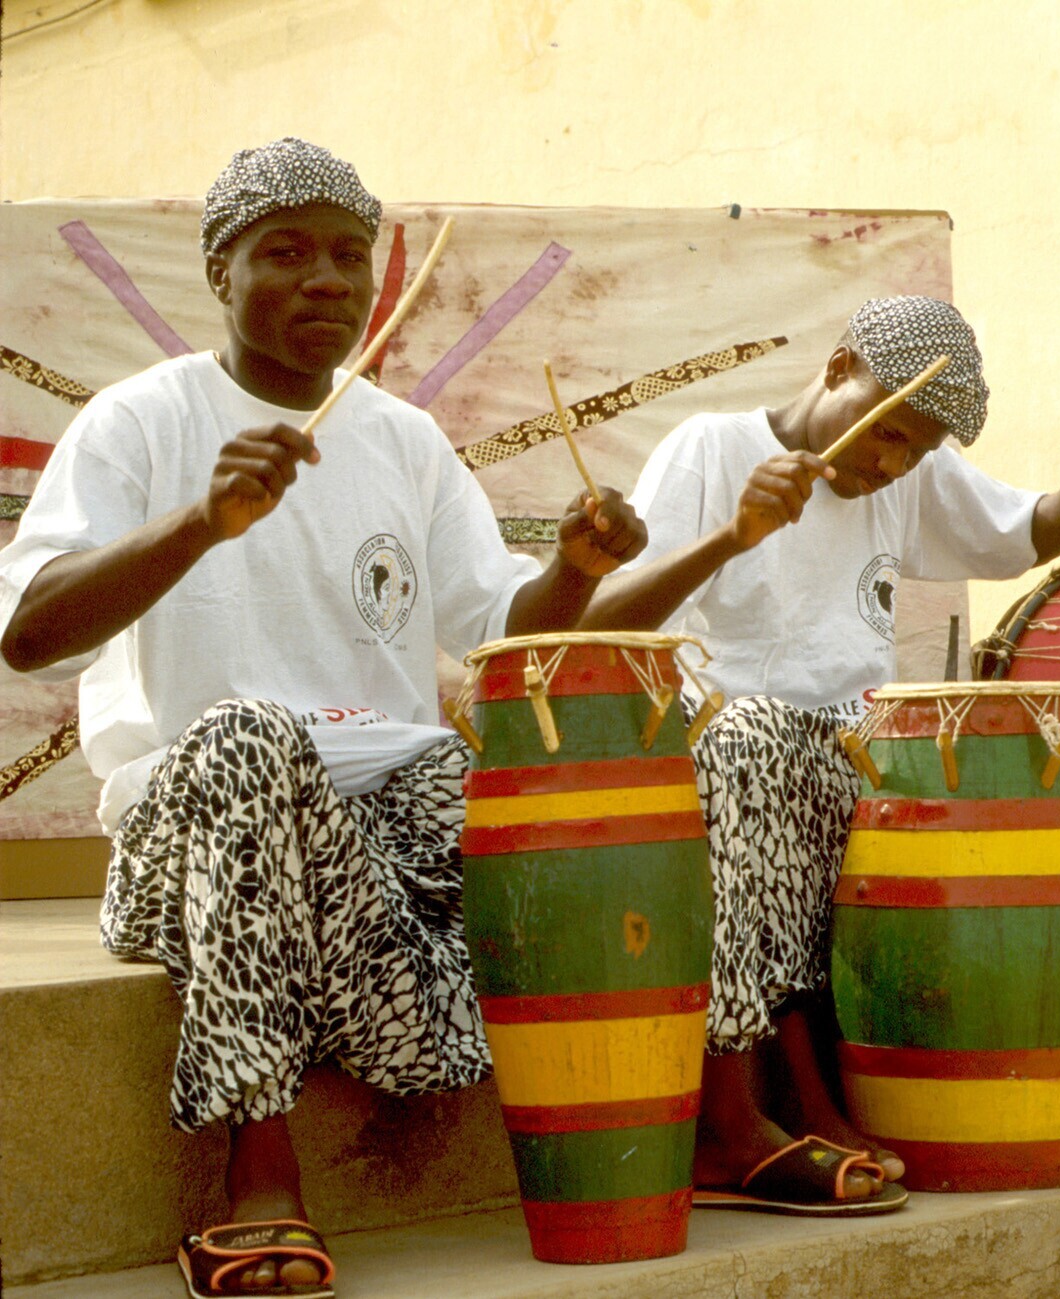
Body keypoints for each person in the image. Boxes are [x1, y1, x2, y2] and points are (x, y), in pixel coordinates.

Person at [0, 139, 645, 1297]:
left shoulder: (402, 438)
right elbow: (32, 633)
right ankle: (258, 1172)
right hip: (192, 839)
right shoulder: (139, 421)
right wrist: (199, 523)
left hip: (380, 842)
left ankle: (658, 1134)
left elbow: (502, 631)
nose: (327, 281)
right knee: (249, 733)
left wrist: (577, 570)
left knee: (561, 791)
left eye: (349, 256)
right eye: (285, 253)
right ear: (222, 272)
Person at [580, 295, 1060, 1214]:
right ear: (838, 368)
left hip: (851, 750)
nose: (890, 463)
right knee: (753, 739)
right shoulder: (712, 449)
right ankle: (732, 1118)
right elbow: (602, 625)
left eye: (916, 451)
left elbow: (1024, 535)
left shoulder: (901, 472)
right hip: (720, 752)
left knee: (1051, 731)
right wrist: (732, 538)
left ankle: (925, 1084)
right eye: (887, 432)